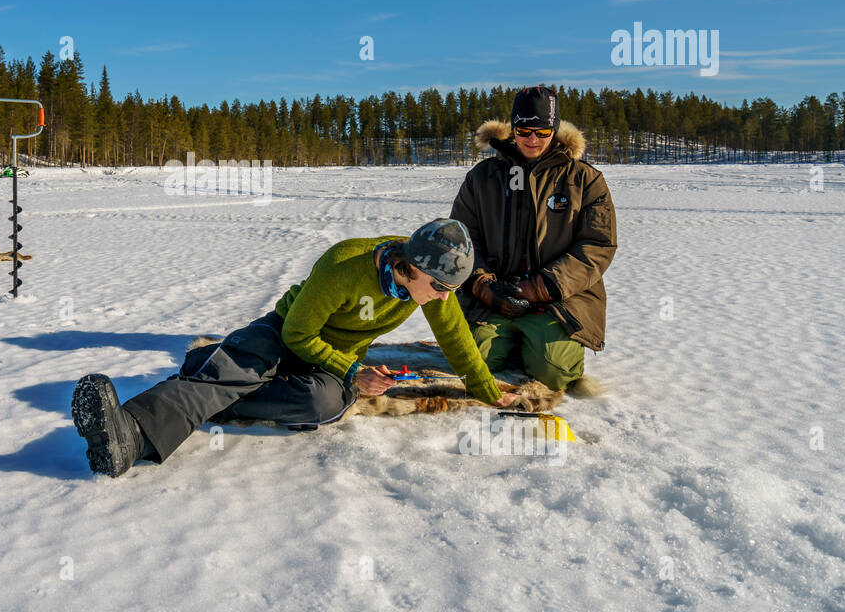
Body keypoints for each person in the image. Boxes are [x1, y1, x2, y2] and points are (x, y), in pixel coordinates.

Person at [72, 219, 515, 478]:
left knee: (322, 403)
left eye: (451, 290)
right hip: (287, 330)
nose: (444, 297)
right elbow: (299, 336)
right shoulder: (345, 263)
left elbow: (456, 339)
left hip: (331, 361)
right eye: (440, 287)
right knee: (247, 364)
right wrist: (350, 370)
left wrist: (487, 389)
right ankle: (130, 433)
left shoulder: (431, 288)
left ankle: (210, 385)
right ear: (412, 266)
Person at [449, 85, 617, 394]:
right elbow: (462, 237)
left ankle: (533, 344)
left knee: (553, 372)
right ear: (513, 128)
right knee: (470, 363)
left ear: (554, 130)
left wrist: (541, 287)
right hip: (495, 301)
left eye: (542, 131)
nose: (532, 140)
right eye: (524, 130)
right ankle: (512, 340)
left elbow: (597, 246)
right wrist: (483, 285)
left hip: (559, 301)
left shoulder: (585, 179)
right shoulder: (482, 177)